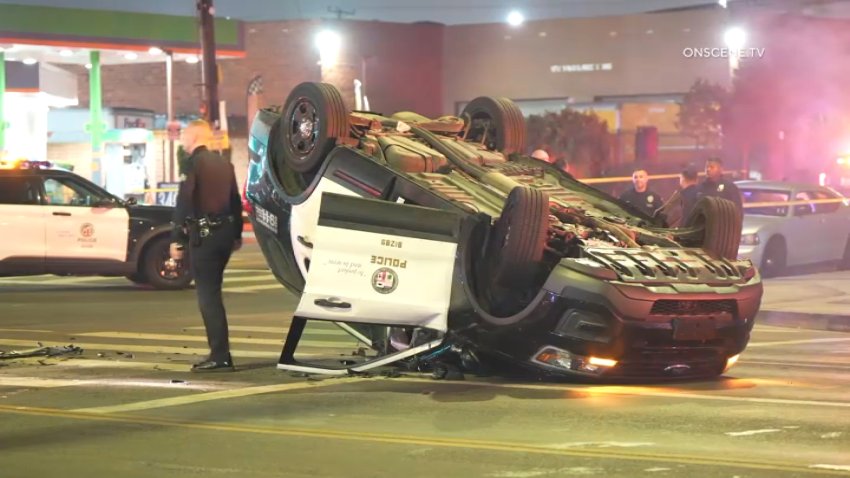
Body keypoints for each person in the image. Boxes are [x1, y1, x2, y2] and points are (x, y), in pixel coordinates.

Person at [170, 120, 243, 372]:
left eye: (183, 137)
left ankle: (220, 355)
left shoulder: (193, 164)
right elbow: (235, 200)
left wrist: (177, 238)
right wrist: (236, 236)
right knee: (214, 292)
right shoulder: (225, 164)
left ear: (193, 138)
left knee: (208, 296)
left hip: (205, 234)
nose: (181, 141)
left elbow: (185, 200)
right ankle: (220, 352)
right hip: (224, 233)